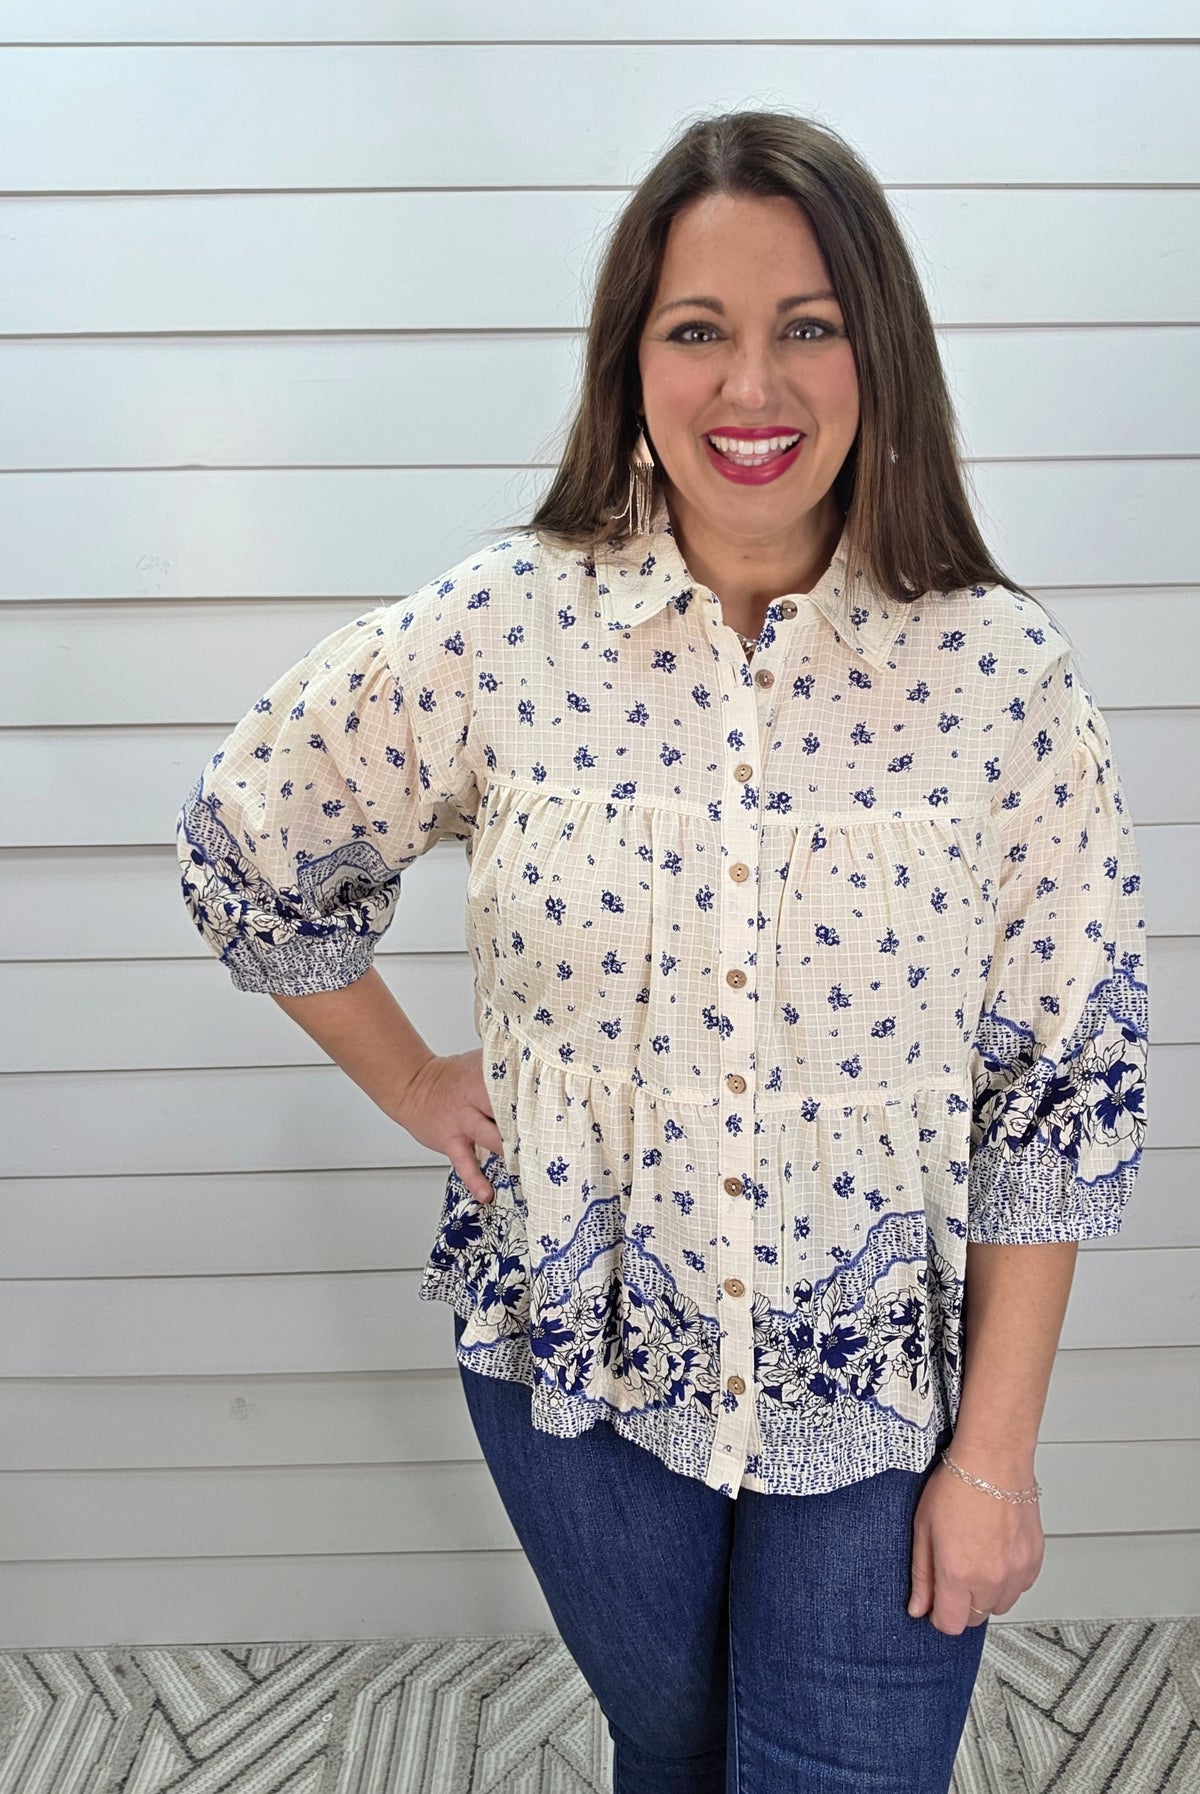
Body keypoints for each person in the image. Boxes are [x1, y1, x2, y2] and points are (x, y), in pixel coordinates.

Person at [175, 110, 1148, 1793]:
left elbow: (1054, 1099)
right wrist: (413, 1075)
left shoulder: (1005, 679)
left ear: (880, 353)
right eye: (698, 330)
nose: (748, 387)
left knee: (841, 1766)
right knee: (680, 1752)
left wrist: (995, 1455)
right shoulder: (504, 628)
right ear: (632, 359)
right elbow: (250, 836)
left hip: (881, 1391)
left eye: (808, 326)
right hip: (579, 1361)